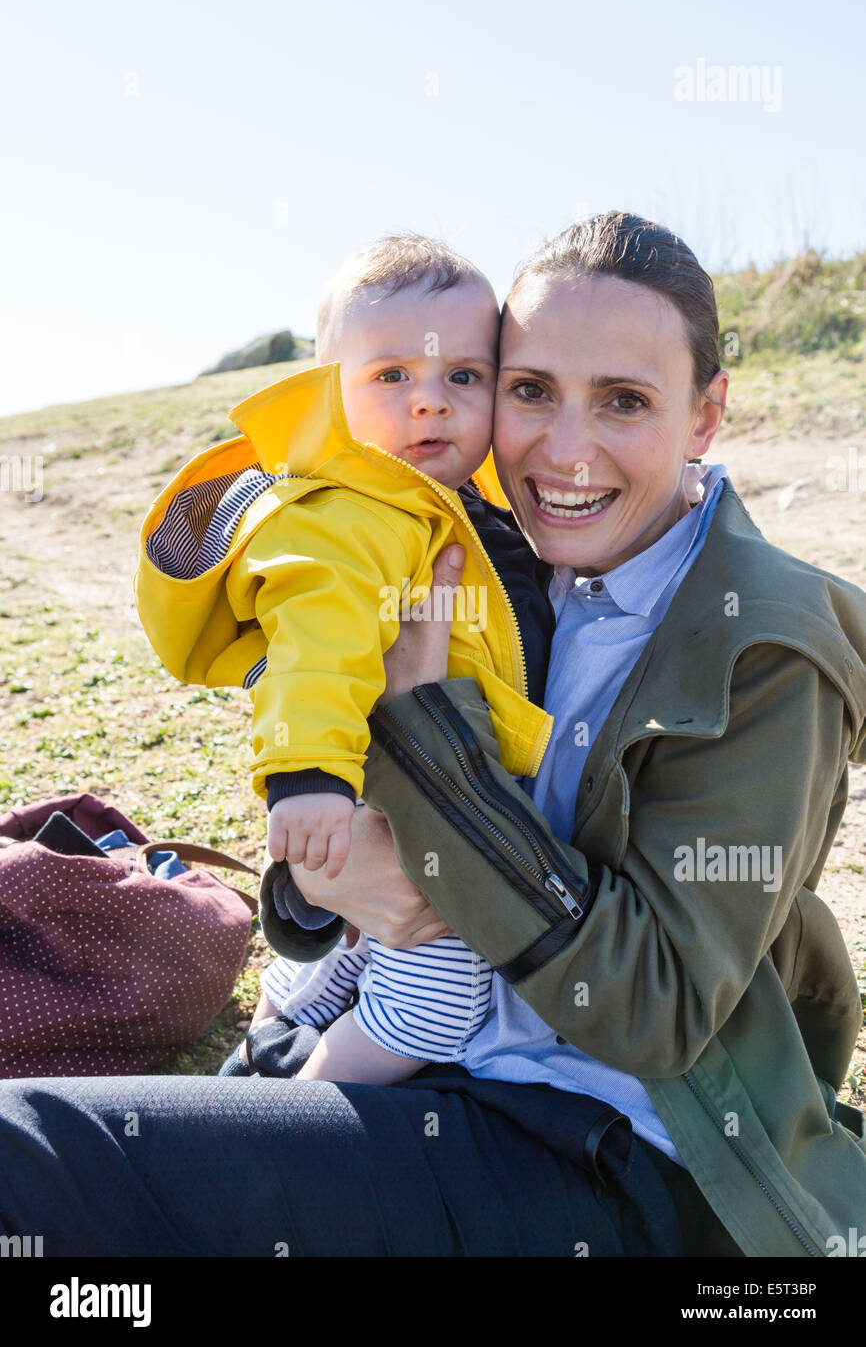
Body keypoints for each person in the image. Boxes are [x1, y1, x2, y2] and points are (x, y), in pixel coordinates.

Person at [0, 211, 862, 1258]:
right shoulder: (504, 558)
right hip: (423, 1053)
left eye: (624, 401)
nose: (563, 447)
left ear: (706, 414)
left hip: (600, 1148)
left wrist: (432, 759)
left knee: (27, 1157)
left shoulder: (762, 646)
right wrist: (324, 884)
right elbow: (351, 805)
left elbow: (657, 1010)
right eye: (531, 389)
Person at [135, 233, 556, 1086]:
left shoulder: (468, 505)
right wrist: (307, 776)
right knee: (435, 1001)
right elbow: (314, 644)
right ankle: (292, 1108)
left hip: (445, 798)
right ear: (330, 390)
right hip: (380, 801)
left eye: (462, 377)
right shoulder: (346, 516)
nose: (430, 403)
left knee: (334, 967)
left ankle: (275, 1036)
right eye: (391, 376)